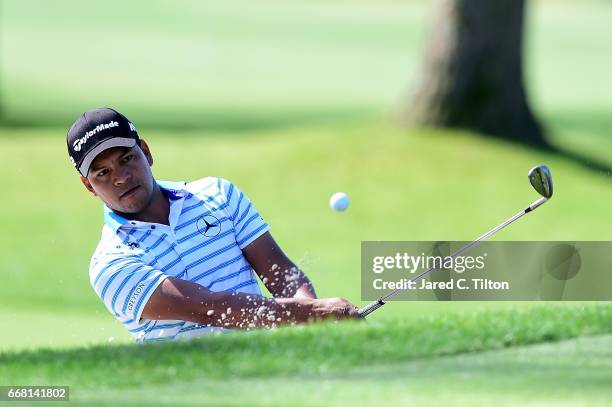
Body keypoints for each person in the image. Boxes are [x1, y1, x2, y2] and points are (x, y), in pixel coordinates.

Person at [66, 107, 359, 343]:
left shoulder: (218, 194)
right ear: (87, 186)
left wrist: (310, 321)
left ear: (146, 151)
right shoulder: (110, 264)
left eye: (127, 158)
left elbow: (280, 272)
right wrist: (314, 312)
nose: (120, 177)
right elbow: (210, 307)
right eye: (102, 172)